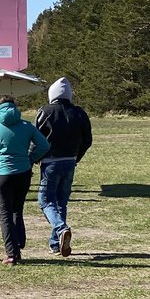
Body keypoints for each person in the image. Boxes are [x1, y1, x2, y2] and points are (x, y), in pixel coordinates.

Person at [0, 95, 50, 265]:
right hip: (23, 173)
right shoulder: (26, 126)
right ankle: (19, 242)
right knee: (17, 209)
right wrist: (31, 159)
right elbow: (44, 145)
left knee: (5, 215)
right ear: (14, 107)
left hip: (3, 175)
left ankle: (11, 254)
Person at [35, 77, 93, 257]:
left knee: (45, 200)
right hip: (70, 162)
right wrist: (76, 157)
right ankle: (55, 244)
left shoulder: (45, 112)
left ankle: (60, 229)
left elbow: (36, 139)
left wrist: (34, 159)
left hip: (50, 162)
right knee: (61, 201)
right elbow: (87, 139)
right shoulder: (79, 113)